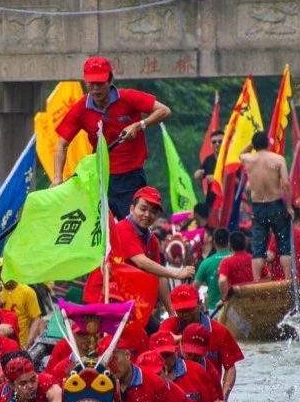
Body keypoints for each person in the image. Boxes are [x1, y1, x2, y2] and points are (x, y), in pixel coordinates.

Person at [52, 57, 171, 218]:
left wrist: (139, 125)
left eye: (100, 83)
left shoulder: (128, 97)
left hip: (130, 176)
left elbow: (164, 110)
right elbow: (62, 145)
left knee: (130, 223)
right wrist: (57, 177)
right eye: (91, 84)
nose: (95, 89)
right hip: (99, 176)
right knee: (96, 225)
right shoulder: (81, 108)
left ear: (110, 80)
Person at [113, 186, 194, 315]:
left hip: (132, 304)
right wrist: (176, 274)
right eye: (143, 209)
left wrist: (171, 313)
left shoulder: (152, 239)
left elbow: (159, 276)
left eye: (153, 212)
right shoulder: (122, 228)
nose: (147, 215)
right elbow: (141, 261)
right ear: (132, 209)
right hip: (110, 300)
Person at [157, 284, 244, 402]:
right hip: (178, 397)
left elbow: (230, 368)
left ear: (199, 303)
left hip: (210, 395)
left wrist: (223, 398)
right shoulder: (168, 325)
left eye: (189, 309)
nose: (185, 314)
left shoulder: (219, 331)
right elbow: (160, 348)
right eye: (181, 310)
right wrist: (185, 338)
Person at [238, 131, 293, 282]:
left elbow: (240, 154)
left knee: (258, 248)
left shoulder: (248, 159)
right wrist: (289, 206)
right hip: (276, 204)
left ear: (254, 145)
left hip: (258, 207)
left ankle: (257, 281)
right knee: (284, 246)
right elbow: (286, 184)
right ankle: (287, 279)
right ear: (268, 144)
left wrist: (252, 143)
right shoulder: (278, 159)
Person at [195, 227, 232, 313]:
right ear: (229, 242)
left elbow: (195, 287)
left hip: (214, 309)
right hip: (235, 308)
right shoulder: (235, 258)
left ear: (214, 242)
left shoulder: (206, 263)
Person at [0, 275, 41, 347]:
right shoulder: (1, 293)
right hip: (6, 344)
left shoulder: (27, 291)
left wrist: (28, 342)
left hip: (23, 344)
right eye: (0, 272)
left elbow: (36, 319)